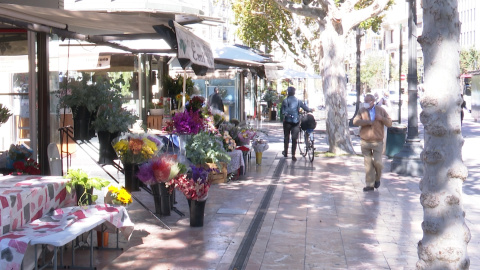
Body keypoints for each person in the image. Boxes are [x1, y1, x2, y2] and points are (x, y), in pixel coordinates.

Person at [353, 94, 392, 192]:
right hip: (365, 141)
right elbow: (355, 121)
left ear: (372, 101)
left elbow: (389, 123)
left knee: (378, 162)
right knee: (368, 164)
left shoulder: (381, 110)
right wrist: (367, 122)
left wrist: (382, 119)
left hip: (377, 141)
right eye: (364, 101)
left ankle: (377, 178)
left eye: (367, 101)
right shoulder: (362, 110)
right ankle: (369, 185)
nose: (365, 103)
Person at [281, 86, 314, 161]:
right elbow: (306, 108)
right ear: (294, 92)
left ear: (288, 92)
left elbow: (282, 112)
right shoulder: (298, 101)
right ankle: (293, 155)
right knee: (294, 138)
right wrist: (311, 110)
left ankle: (285, 152)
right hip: (296, 122)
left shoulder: (285, 101)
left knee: (286, 137)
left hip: (287, 122)